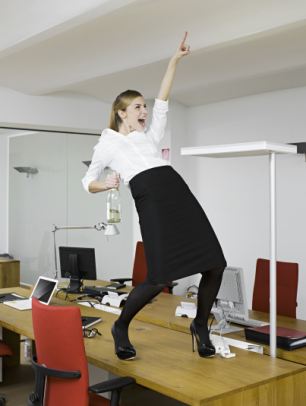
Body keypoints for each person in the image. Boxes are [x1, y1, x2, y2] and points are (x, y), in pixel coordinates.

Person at [82, 32, 227, 360]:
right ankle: (121, 326)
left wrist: (174, 60)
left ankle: (200, 325)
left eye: (143, 106)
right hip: (150, 199)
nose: (144, 110)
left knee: (216, 264)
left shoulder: (150, 136)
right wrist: (105, 185)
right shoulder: (109, 143)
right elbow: (87, 181)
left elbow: (163, 99)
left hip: (177, 191)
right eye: (137, 107)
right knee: (159, 277)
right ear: (121, 113)